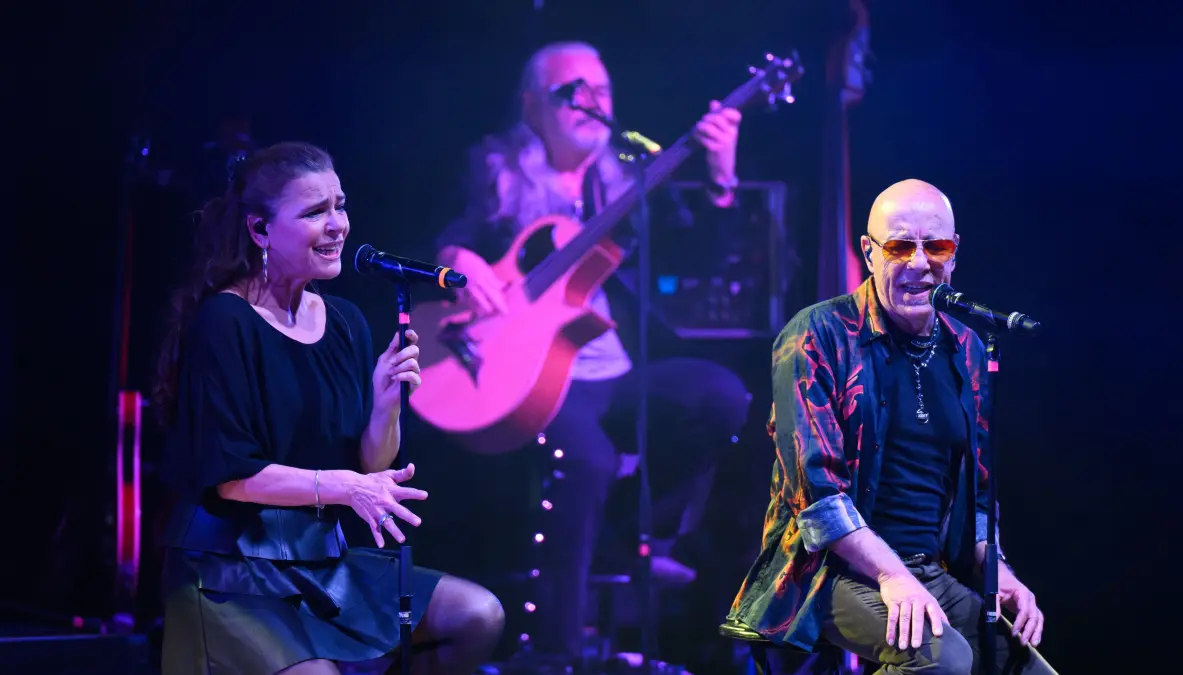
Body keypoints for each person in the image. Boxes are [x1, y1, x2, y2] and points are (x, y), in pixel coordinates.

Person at [433, 41, 751, 659]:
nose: (590, 103)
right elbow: (445, 240)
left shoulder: (630, 178)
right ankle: (557, 653)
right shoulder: (493, 172)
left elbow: (697, 263)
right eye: (569, 91)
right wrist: (457, 261)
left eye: (600, 92)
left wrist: (720, 180)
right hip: (528, 372)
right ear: (531, 107)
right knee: (587, 459)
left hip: (615, 366)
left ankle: (620, 535)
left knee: (721, 397)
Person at [152, 141, 505, 675]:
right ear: (260, 230)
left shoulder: (344, 322)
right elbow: (230, 478)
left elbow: (371, 464)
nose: (338, 223)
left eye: (340, 205)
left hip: (319, 560)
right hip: (230, 570)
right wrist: (346, 487)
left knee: (478, 614)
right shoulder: (225, 322)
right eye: (316, 211)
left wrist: (384, 405)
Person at [727, 179, 1057, 674]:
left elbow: (977, 494)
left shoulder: (966, 348)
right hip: (829, 572)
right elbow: (817, 497)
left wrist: (998, 573)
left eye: (936, 246)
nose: (920, 263)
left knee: (1023, 670)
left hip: (924, 570)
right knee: (941, 660)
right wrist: (891, 574)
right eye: (901, 246)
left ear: (955, 252)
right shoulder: (818, 334)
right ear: (869, 252)